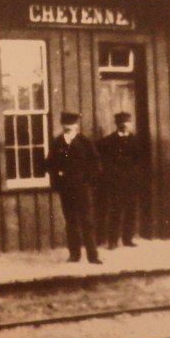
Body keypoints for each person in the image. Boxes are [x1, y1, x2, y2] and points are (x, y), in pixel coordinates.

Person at [46, 111, 102, 264]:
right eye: (66, 124)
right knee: (71, 221)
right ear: (62, 125)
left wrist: (88, 181)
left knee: (87, 221)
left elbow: (96, 164)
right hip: (66, 189)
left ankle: (93, 256)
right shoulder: (57, 143)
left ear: (77, 125)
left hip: (83, 188)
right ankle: (74, 254)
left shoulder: (85, 142)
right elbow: (50, 163)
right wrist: (57, 179)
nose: (70, 127)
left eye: (72, 123)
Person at [97, 111, 142, 249]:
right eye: (122, 122)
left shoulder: (135, 140)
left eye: (127, 122)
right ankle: (112, 240)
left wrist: (134, 174)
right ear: (117, 124)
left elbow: (138, 160)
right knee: (116, 210)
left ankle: (127, 239)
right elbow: (105, 161)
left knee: (131, 210)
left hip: (131, 181)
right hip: (116, 181)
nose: (125, 125)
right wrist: (113, 174)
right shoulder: (108, 141)